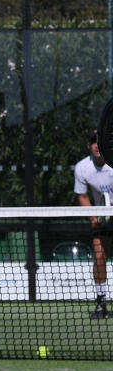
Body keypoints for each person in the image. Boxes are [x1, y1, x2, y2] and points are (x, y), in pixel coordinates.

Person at [73, 129, 113, 319]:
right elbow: (82, 195)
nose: (97, 145)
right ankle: (101, 303)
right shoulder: (82, 168)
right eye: (93, 142)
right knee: (99, 256)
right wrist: (94, 218)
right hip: (103, 220)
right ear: (89, 146)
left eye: (100, 141)